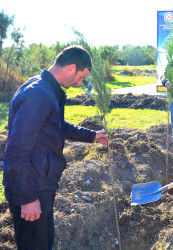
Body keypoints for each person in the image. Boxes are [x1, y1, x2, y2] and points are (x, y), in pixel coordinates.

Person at [3, 45, 109, 249]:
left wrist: (92, 135)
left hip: (41, 183)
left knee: (45, 241)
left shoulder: (47, 89)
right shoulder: (38, 94)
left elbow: (57, 125)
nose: (79, 83)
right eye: (80, 77)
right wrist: (27, 198)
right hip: (31, 187)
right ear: (70, 68)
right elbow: (17, 150)